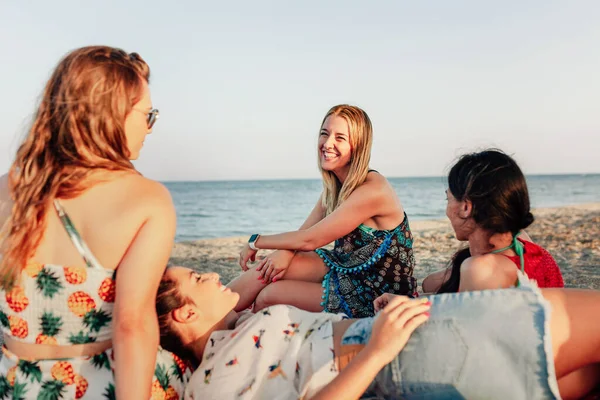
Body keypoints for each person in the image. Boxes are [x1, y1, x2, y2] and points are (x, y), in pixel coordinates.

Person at [0, 46, 189, 399]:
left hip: (15, 383)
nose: (149, 128)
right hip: (95, 384)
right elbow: (132, 325)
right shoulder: (146, 198)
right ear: (113, 114)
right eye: (147, 115)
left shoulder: (7, 190)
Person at [157, 266, 600, 399]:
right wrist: (376, 349)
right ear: (184, 313)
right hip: (398, 356)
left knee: (586, 379)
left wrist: (372, 324)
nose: (213, 275)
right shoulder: (211, 383)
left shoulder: (233, 332)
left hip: (394, 345)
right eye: (197, 277)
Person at [231, 104, 417, 318]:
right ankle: (210, 311)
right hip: (344, 268)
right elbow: (305, 231)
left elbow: (309, 240)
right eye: (324, 134)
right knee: (268, 269)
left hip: (377, 292)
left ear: (358, 145)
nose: (328, 144)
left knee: (269, 294)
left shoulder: (372, 189)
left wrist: (255, 241)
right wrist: (283, 254)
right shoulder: (335, 187)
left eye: (340, 138)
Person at [422, 149, 564, 294]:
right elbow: (429, 284)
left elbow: (462, 317)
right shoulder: (530, 249)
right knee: (429, 284)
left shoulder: (480, 269)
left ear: (465, 207)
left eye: (448, 199)